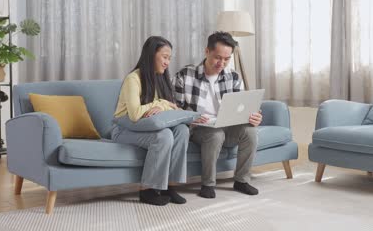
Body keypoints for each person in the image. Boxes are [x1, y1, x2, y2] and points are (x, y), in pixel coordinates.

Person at [172, 31, 262, 199]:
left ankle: (241, 180)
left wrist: (254, 116)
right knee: (215, 133)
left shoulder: (233, 77)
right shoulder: (185, 75)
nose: (222, 63)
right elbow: (173, 108)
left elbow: (242, 107)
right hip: (198, 128)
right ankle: (207, 184)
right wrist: (191, 117)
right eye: (218, 57)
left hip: (227, 125)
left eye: (227, 59)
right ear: (207, 51)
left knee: (250, 131)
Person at [112, 36, 189, 206]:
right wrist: (160, 104)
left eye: (169, 58)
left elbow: (172, 108)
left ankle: (170, 186)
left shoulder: (161, 79)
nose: (167, 62)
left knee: (182, 131)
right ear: (151, 55)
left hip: (147, 128)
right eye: (164, 57)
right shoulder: (133, 79)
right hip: (124, 130)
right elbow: (135, 114)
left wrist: (162, 107)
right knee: (164, 136)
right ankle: (147, 189)